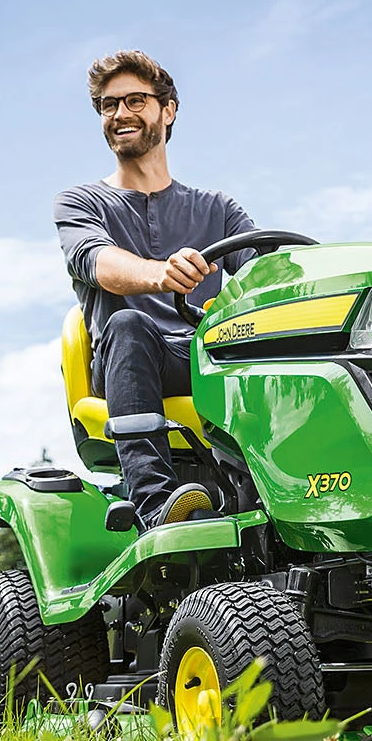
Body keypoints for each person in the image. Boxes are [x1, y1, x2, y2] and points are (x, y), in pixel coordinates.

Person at [54, 50, 256, 530]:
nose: (119, 114)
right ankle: (155, 505)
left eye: (134, 101)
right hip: (133, 360)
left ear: (167, 110)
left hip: (205, 357)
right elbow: (97, 262)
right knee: (129, 323)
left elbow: (266, 275)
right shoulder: (82, 202)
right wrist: (161, 273)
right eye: (108, 105)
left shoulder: (217, 209)